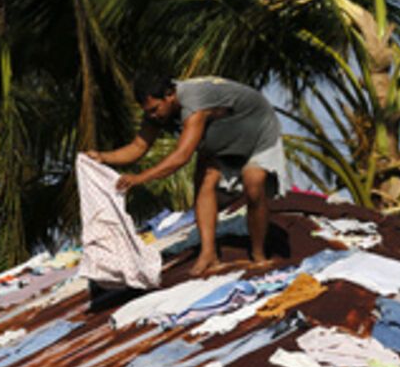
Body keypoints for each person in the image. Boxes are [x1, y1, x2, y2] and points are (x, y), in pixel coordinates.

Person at [88, 74, 289, 276]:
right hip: (218, 137)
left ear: (170, 95)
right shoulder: (156, 112)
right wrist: (102, 157)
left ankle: (259, 254)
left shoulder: (194, 101)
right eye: (148, 113)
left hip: (256, 132)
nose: (153, 116)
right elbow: (138, 146)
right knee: (204, 181)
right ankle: (209, 255)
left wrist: (140, 178)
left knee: (253, 185)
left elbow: (182, 156)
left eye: (155, 110)